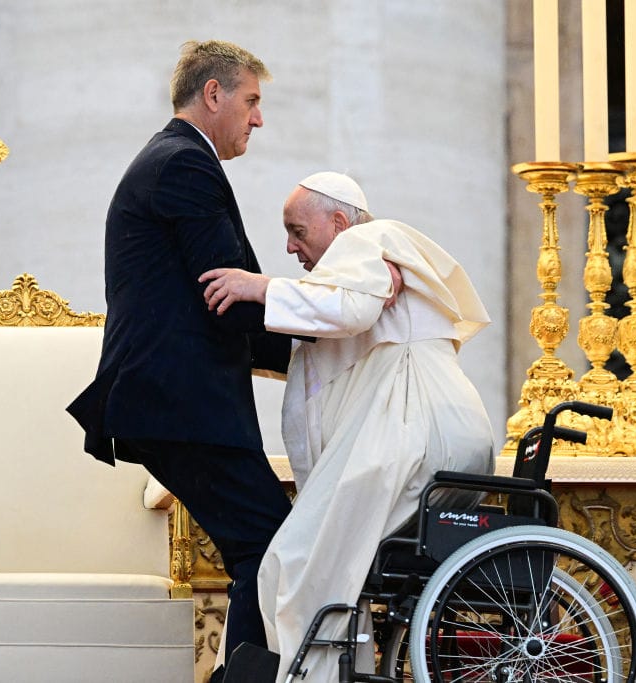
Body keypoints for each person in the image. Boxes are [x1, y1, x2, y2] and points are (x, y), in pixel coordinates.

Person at [200, 172, 496, 682]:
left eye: (297, 231)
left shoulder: (366, 241)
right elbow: (319, 348)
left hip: (413, 434)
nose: (290, 247)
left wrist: (259, 286)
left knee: (294, 563)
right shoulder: (363, 266)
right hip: (436, 435)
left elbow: (351, 311)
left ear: (338, 221)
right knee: (328, 570)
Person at [66, 40, 294, 677]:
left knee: (263, 544)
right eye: (251, 101)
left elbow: (226, 296)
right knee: (269, 544)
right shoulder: (182, 165)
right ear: (214, 94)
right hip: (180, 401)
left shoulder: (177, 160)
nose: (258, 119)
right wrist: (331, 327)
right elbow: (230, 292)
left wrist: (303, 344)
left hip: (179, 401)